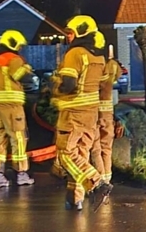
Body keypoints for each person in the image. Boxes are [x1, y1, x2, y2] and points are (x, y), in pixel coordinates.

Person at [51, 15, 112, 211]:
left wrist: (54, 86)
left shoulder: (75, 53)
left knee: (66, 155)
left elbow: (68, 84)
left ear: (81, 32)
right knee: (81, 155)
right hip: (90, 114)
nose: (69, 37)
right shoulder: (98, 56)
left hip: (73, 113)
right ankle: (74, 199)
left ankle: (96, 184)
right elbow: (102, 84)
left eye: (71, 32)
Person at [0, 30, 35, 189]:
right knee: (18, 137)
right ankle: (21, 174)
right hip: (11, 105)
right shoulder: (13, 59)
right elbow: (22, 77)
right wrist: (27, 68)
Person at [91, 32, 121, 185]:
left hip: (95, 112)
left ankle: (100, 179)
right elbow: (116, 77)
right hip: (108, 112)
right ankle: (107, 179)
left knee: (95, 148)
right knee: (107, 147)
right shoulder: (113, 65)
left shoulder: (94, 64)